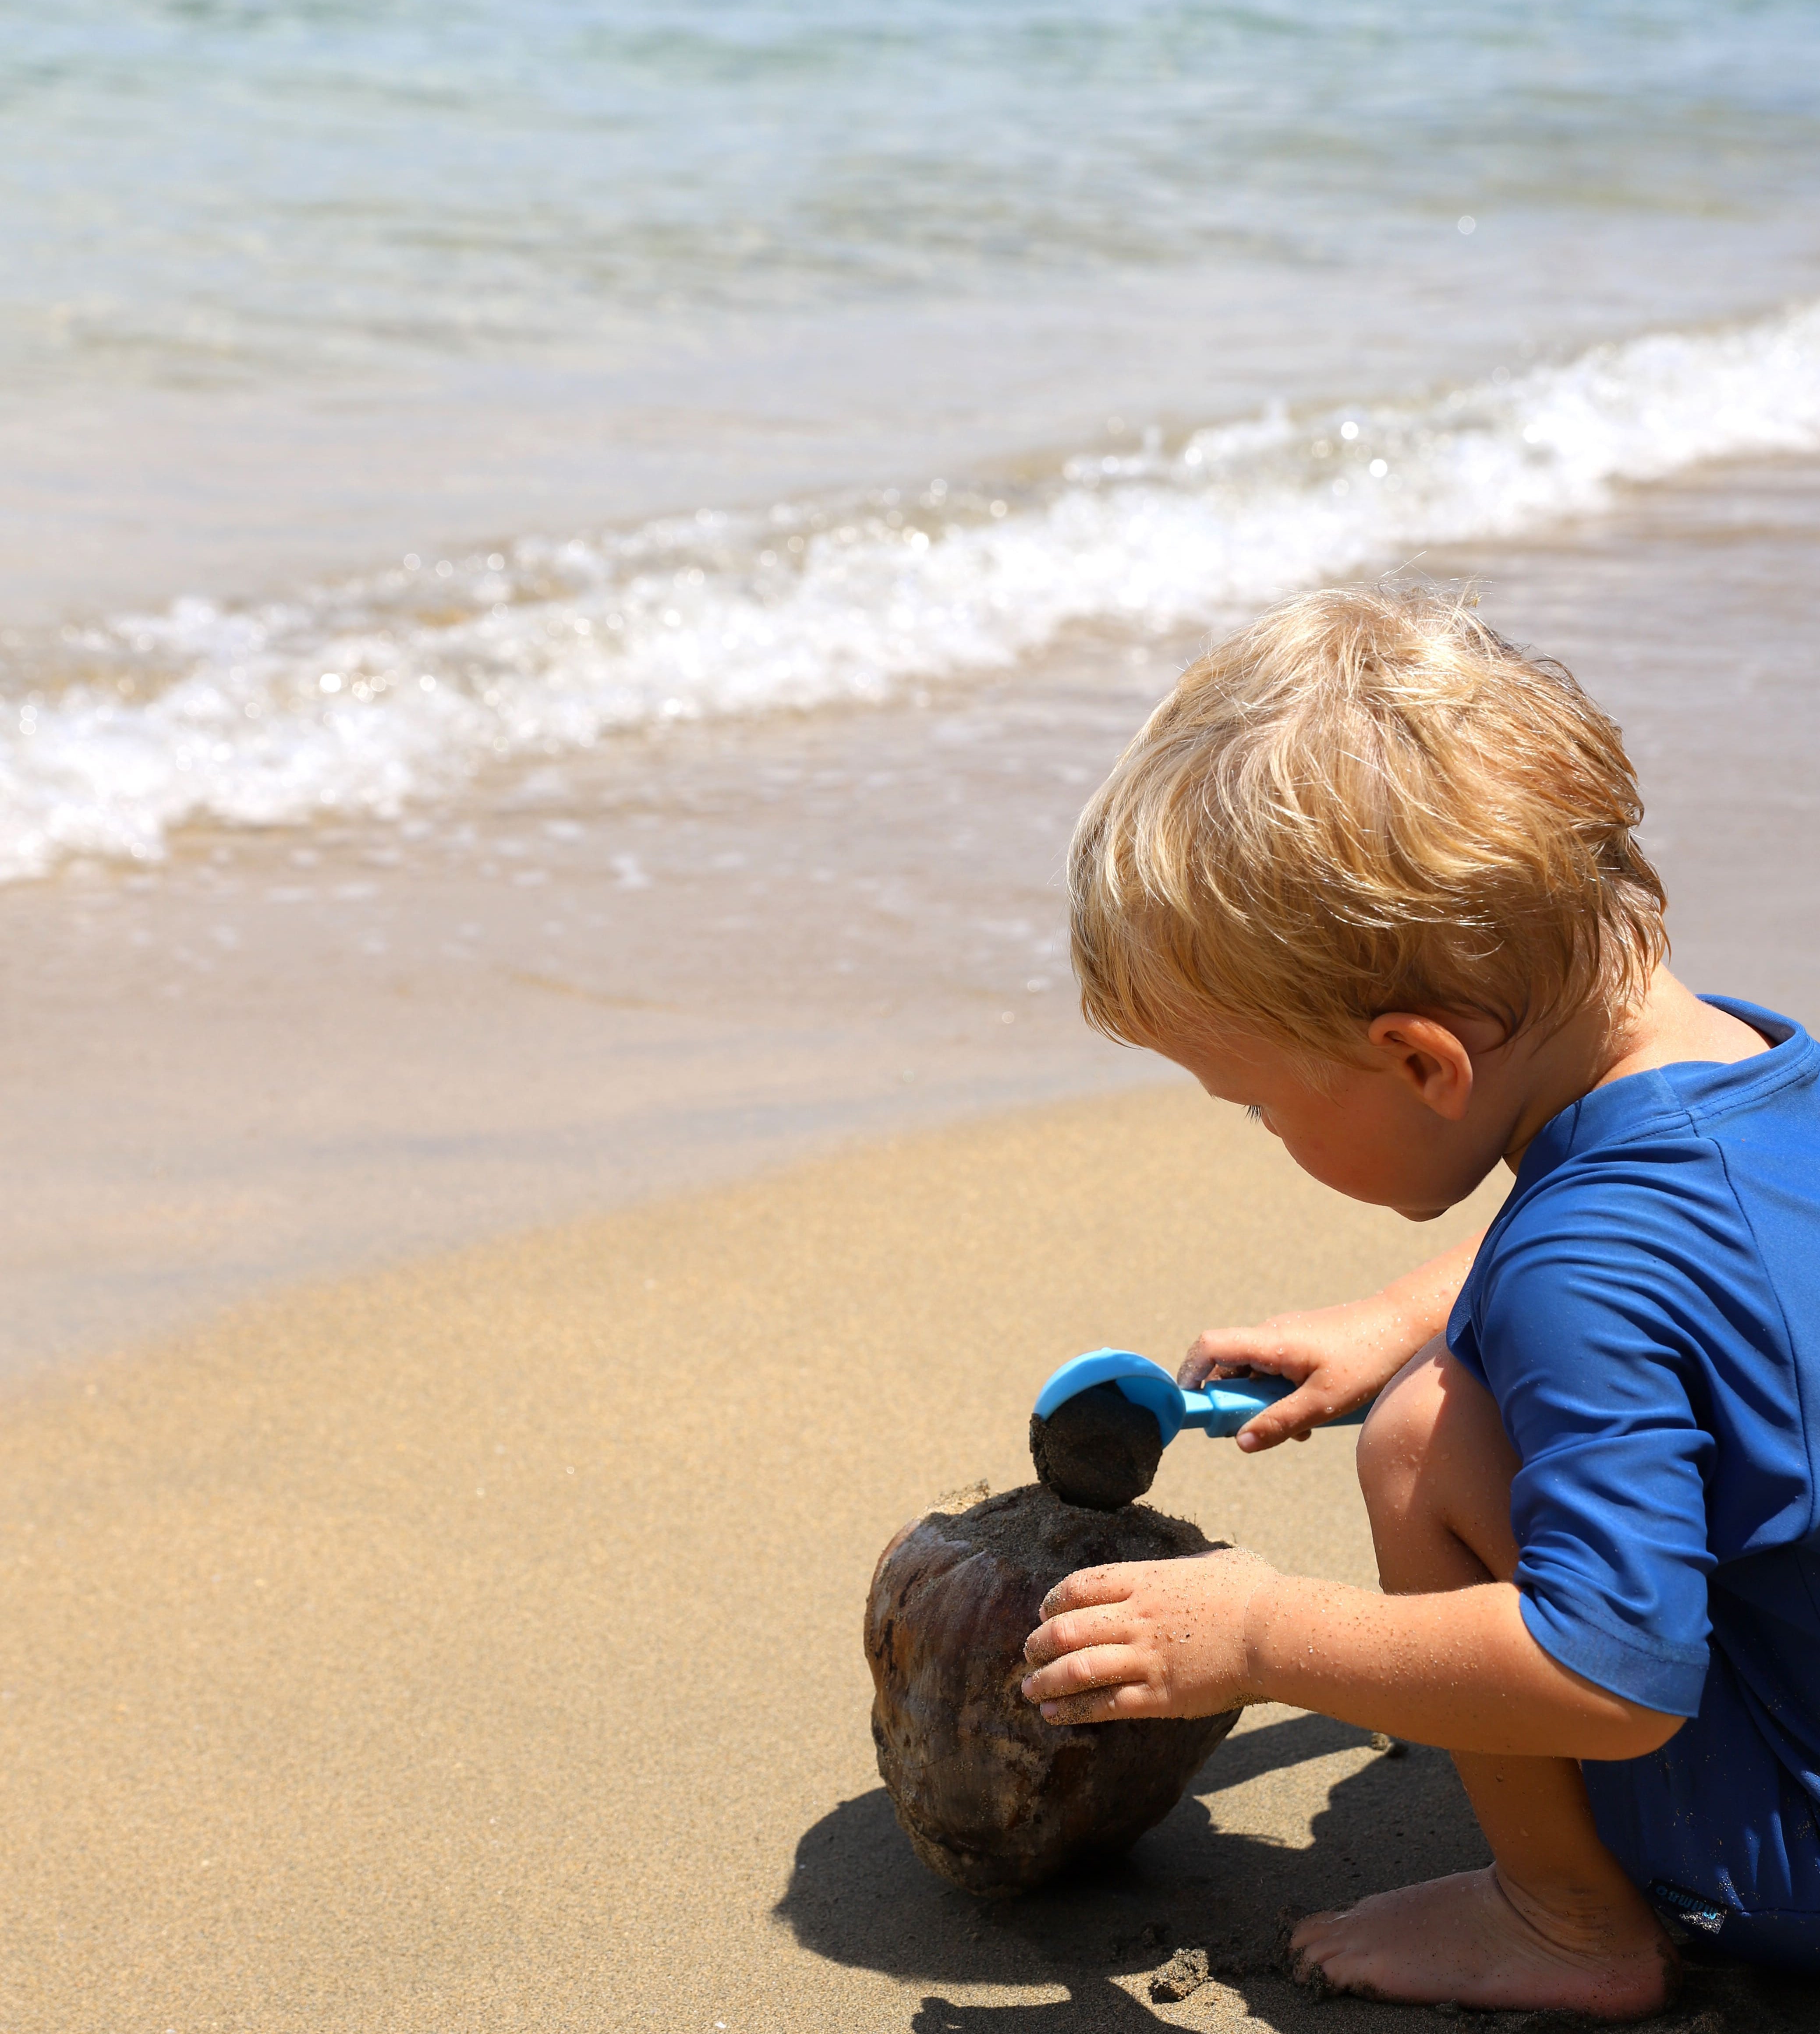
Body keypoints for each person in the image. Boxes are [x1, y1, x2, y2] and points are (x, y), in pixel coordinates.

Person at [1018, 584, 1820, 2016]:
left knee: (1424, 1435)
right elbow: (1674, 1267)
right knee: (1443, 1367)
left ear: (1421, 1062)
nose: (1263, 1132)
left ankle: (1567, 1919)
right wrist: (1407, 1303)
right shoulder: (1762, 1068)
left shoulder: (1579, 1275)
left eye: (1259, 1103)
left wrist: (1262, 1634)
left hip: (1791, 1851)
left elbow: (1610, 1669)